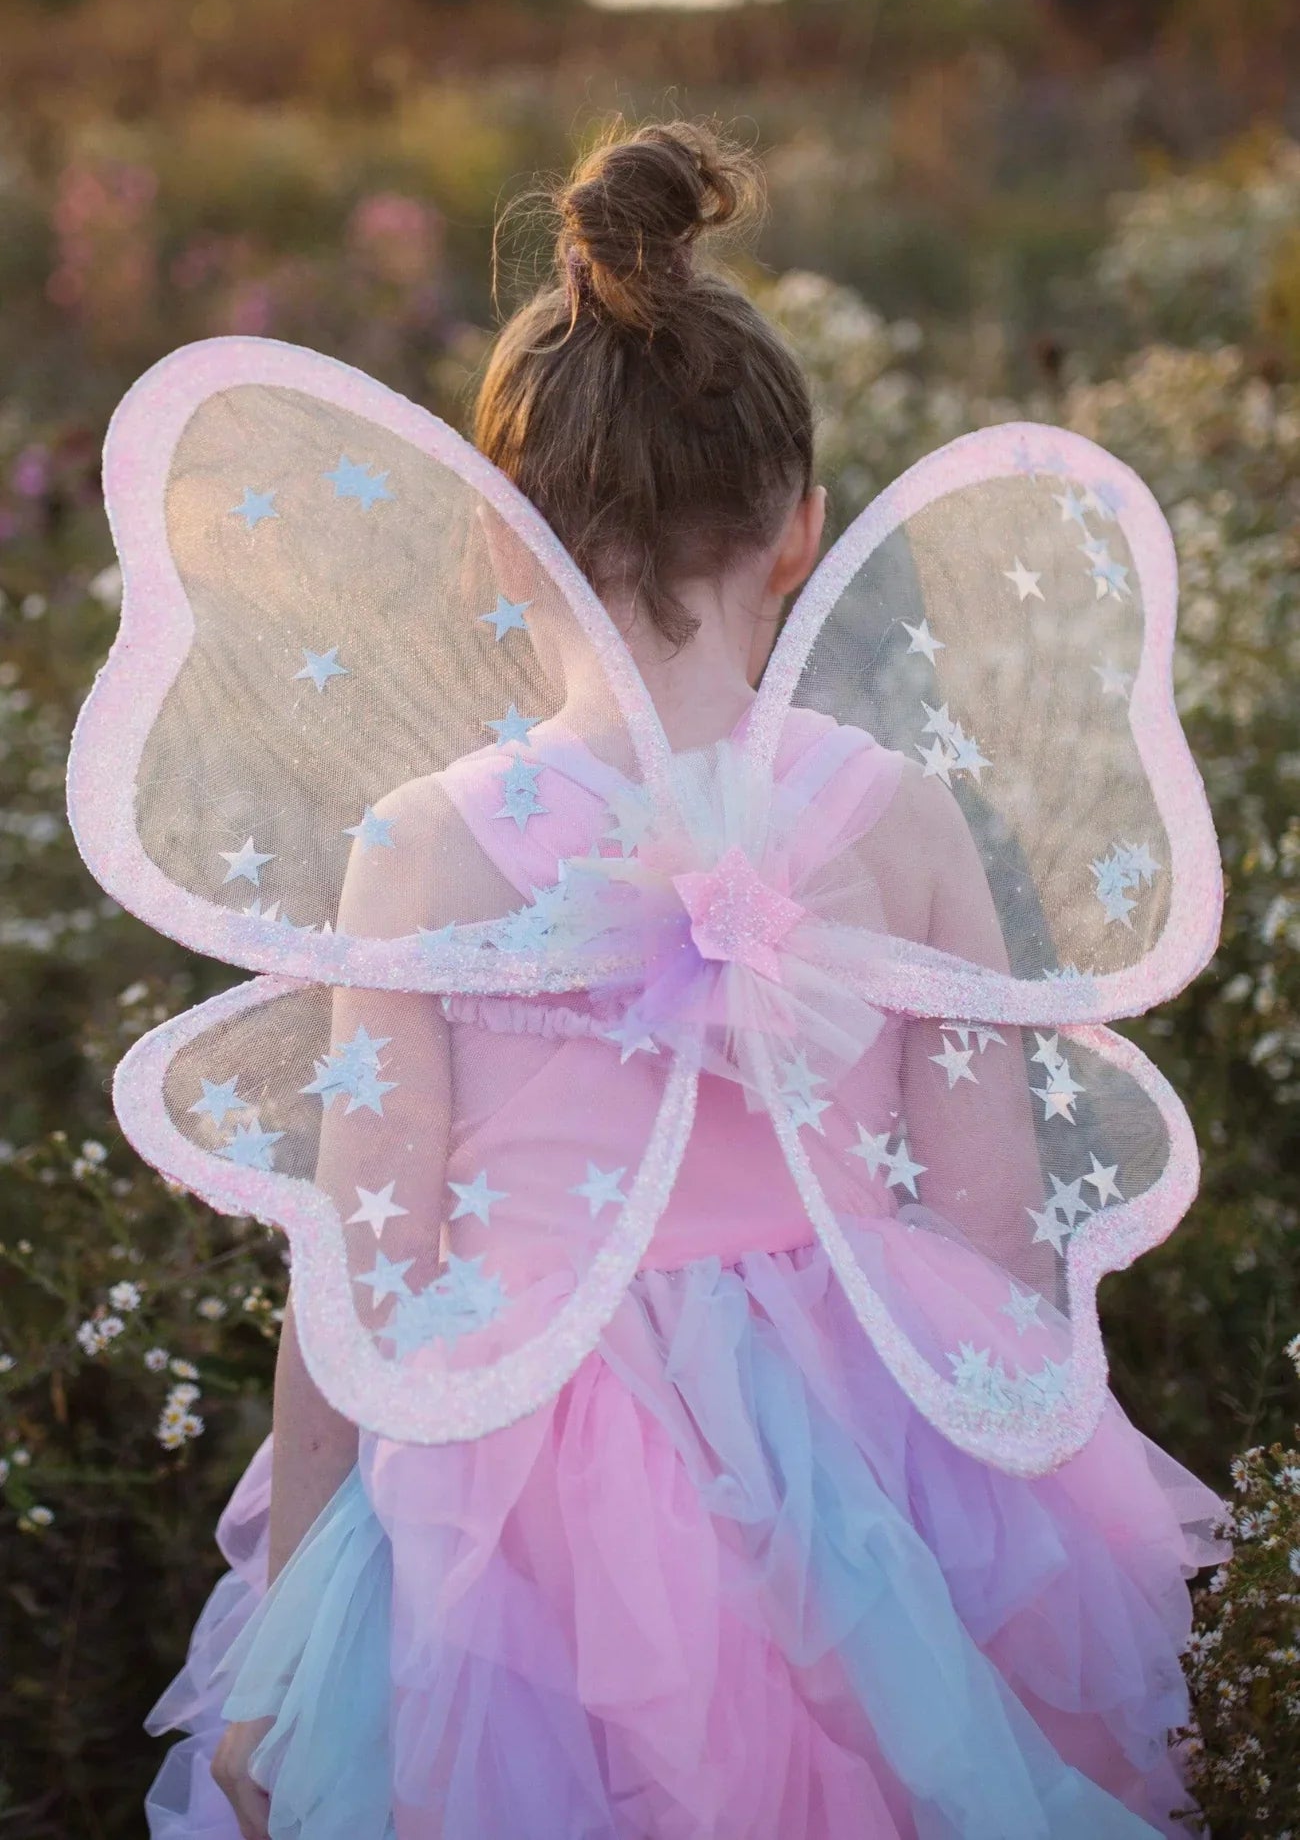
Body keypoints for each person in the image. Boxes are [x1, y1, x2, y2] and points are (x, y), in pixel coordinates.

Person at [108, 121, 1229, 1838]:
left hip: (524, 1497)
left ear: (498, 549)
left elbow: (363, 1281)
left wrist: (279, 1642)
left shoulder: (424, 844)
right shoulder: (902, 816)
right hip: (877, 1467)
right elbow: (998, 1238)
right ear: (802, 531)